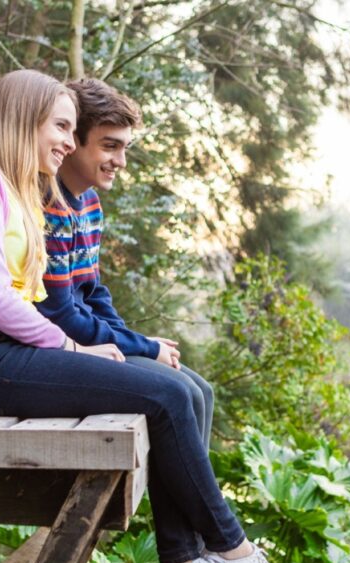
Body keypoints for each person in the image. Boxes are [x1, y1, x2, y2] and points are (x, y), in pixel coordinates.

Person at [0, 69, 302, 563]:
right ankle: (232, 553)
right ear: (26, 117)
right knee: (165, 395)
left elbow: (65, 292)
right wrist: (71, 350)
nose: (68, 141)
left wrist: (113, 347)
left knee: (174, 391)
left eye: (72, 129)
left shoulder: (13, 185)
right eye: (61, 127)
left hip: (5, 351)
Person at [38, 78, 214, 453]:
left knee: (203, 391)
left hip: (90, 336)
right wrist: (144, 348)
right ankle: (187, 508)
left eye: (125, 148)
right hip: (63, 349)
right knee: (181, 393)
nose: (121, 161)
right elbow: (61, 314)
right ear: (73, 143)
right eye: (110, 146)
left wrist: (133, 342)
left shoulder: (88, 205)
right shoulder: (49, 205)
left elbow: (93, 294)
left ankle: (184, 507)